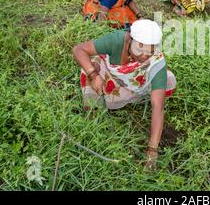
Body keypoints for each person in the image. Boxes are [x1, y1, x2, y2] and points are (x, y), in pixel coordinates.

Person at [72, 20, 176, 170]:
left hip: (136, 85)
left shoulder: (156, 59)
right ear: (131, 39)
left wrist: (152, 150)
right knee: (91, 65)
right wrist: (94, 75)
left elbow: (158, 106)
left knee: (169, 80)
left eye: (150, 51)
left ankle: (125, 98)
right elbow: (78, 49)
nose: (144, 55)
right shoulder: (117, 40)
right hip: (111, 79)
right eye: (140, 48)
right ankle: (97, 115)